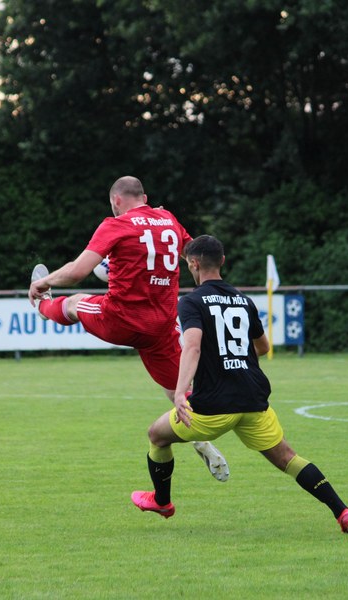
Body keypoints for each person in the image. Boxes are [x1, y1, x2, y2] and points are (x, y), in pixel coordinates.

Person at [130, 235, 348, 534]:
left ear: (193, 264)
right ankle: (343, 512)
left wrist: (179, 393)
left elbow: (193, 347)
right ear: (223, 261)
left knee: (157, 436)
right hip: (252, 398)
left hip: (212, 406)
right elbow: (263, 347)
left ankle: (162, 501)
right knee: (288, 458)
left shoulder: (191, 302)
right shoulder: (244, 300)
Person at [28, 175, 230, 482]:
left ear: (116, 200)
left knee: (75, 303)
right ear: (145, 199)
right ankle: (200, 437)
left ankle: (42, 306)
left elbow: (77, 272)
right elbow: (194, 255)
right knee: (177, 389)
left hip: (121, 319)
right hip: (160, 325)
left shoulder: (115, 224)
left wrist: (44, 281)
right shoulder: (168, 219)